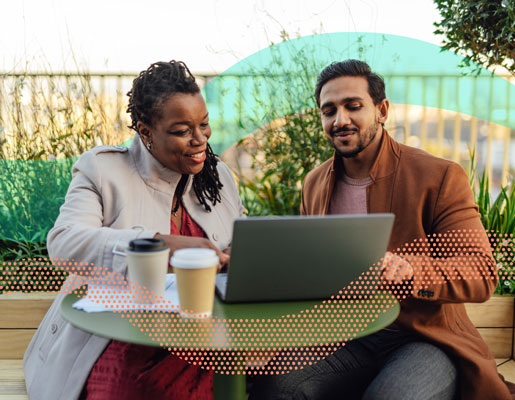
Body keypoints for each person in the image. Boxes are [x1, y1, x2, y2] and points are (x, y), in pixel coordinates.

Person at [249, 60, 515, 399]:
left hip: (423, 338)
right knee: (276, 386)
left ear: (382, 110)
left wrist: (413, 271)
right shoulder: (314, 183)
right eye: (328, 111)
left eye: (353, 106)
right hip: (345, 338)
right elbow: (312, 271)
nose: (340, 120)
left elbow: (481, 272)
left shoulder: (440, 176)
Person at [23, 60, 244, 400]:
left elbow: (236, 244)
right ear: (145, 132)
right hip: (118, 335)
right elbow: (64, 244)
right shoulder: (103, 169)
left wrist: (231, 258)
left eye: (204, 124)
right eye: (182, 130)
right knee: (139, 388)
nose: (200, 139)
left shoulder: (219, 177)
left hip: (203, 336)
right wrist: (156, 245)